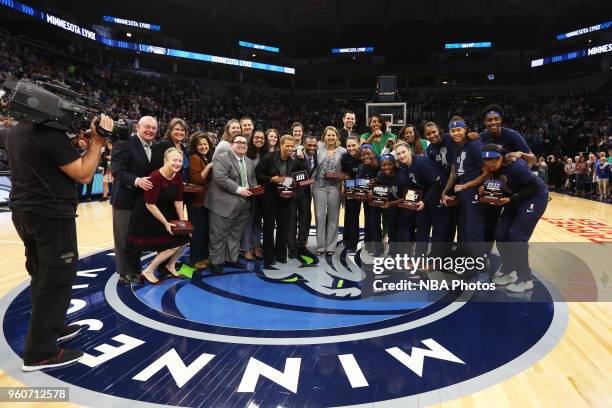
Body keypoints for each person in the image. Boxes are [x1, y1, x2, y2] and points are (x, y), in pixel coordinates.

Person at [7, 114, 114, 371]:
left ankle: (52, 327)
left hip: (24, 210)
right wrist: (98, 142)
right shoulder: (50, 135)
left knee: (40, 272)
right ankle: (40, 353)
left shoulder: (19, 129)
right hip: (51, 214)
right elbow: (85, 174)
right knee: (56, 279)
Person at [481, 144, 549, 293]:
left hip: (535, 197)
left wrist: (512, 199)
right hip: (515, 198)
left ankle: (525, 279)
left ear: (501, 157)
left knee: (516, 235)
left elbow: (533, 187)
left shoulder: (516, 166)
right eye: (487, 160)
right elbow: (500, 188)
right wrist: (486, 191)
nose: (491, 162)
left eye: (494, 159)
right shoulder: (492, 170)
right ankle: (509, 269)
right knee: (500, 233)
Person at [127, 148, 189, 284]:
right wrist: (166, 223)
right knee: (172, 244)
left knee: (185, 238)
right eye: (174, 160)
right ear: (165, 161)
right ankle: (148, 271)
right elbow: (150, 204)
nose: (177, 163)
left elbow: (178, 201)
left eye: (180, 160)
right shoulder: (155, 177)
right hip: (147, 215)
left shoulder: (178, 176)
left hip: (165, 212)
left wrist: (183, 223)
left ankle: (170, 265)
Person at [112, 116, 158, 285]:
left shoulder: (154, 147)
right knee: (123, 237)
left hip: (142, 201)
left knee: (136, 237)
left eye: (154, 128)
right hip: (125, 200)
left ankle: (135, 268)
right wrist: (137, 181)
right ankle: (124, 272)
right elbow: (118, 171)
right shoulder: (123, 143)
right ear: (138, 126)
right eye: (147, 127)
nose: (150, 131)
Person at [205, 134, 257, 274]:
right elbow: (220, 178)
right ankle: (216, 262)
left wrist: (255, 189)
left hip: (244, 204)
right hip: (223, 203)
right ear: (231, 144)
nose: (242, 145)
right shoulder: (221, 158)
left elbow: (251, 180)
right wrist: (240, 190)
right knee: (218, 235)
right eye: (238, 142)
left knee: (235, 234)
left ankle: (231, 259)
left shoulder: (250, 161)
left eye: (244, 143)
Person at [256, 135, 306, 266]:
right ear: (281, 145)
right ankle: (268, 256)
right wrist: (272, 179)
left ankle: (281, 254)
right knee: (268, 227)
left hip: (286, 198)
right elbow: (258, 174)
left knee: (283, 228)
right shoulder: (269, 157)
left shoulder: (295, 162)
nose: (290, 148)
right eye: (287, 145)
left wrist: (292, 194)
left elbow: (299, 182)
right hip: (269, 198)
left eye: (292, 146)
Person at [442, 117, 487, 261]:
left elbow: (487, 172)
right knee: (463, 230)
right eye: (453, 130)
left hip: (473, 191)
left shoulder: (474, 144)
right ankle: (467, 263)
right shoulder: (455, 147)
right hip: (463, 192)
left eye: (459, 130)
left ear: (465, 129)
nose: (456, 133)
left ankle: (482, 269)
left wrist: (466, 186)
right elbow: (454, 172)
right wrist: (444, 192)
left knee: (473, 231)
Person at [395, 142, 448, 258]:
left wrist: (424, 201)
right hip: (425, 196)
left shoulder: (420, 162)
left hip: (437, 195)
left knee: (438, 230)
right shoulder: (404, 166)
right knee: (421, 227)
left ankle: (435, 258)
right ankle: (419, 257)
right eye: (398, 154)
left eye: (403, 152)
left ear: (409, 151)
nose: (401, 155)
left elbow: (437, 182)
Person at [311, 126, 346, 255]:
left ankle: (331, 246)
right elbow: (304, 147)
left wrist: (343, 177)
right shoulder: (319, 147)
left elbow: (346, 168)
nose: (331, 137)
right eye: (328, 135)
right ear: (324, 137)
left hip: (335, 187)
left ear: (337, 137)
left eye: (333, 135)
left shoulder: (343, 151)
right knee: (320, 216)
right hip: (319, 186)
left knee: (333, 217)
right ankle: (320, 246)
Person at [187, 132, 214, 270]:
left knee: (204, 231)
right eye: (200, 144)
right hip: (197, 202)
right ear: (195, 146)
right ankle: (195, 259)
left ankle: (203, 257)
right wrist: (209, 166)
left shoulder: (204, 157)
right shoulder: (195, 158)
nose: (203, 146)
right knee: (198, 232)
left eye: (205, 144)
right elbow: (197, 179)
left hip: (205, 201)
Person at [288, 134, 317, 258]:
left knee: (305, 219)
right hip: (293, 193)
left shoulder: (316, 156)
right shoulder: (295, 156)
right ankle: (292, 248)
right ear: (303, 145)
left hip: (306, 193)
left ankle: (302, 246)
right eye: (309, 145)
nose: (312, 147)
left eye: (314, 145)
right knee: (292, 220)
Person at [242, 130, 268, 260]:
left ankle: (256, 246)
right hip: (248, 192)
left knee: (258, 221)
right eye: (256, 137)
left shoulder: (267, 154)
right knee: (248, 221)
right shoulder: (246, 153)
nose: (259, 140)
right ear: (252, 139)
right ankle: (246, 248)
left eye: (262, 138)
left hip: (262, 192)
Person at [357, 144, 382, 256]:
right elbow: (359, 182)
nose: (366, 157)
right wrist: (359, 191)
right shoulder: (362, 167)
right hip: (369, 198)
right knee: (370, 219)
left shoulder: (382, 163)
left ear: (374, 154)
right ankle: (369, 244)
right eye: (363, 155)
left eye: (368, 154)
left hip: (385, 196)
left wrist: (377, 181)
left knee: (387, 222)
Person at [340, 135, 362, 253]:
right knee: (350, 215)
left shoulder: (364, 155)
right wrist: (344, 179)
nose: (351, 148)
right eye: (348, 146)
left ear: (359, 145)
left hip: (365, 187)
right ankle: (348, 240)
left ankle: (355, 241)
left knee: (365, 216)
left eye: (354, 145)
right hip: (350, 188)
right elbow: (344, 172)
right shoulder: (345, 157)